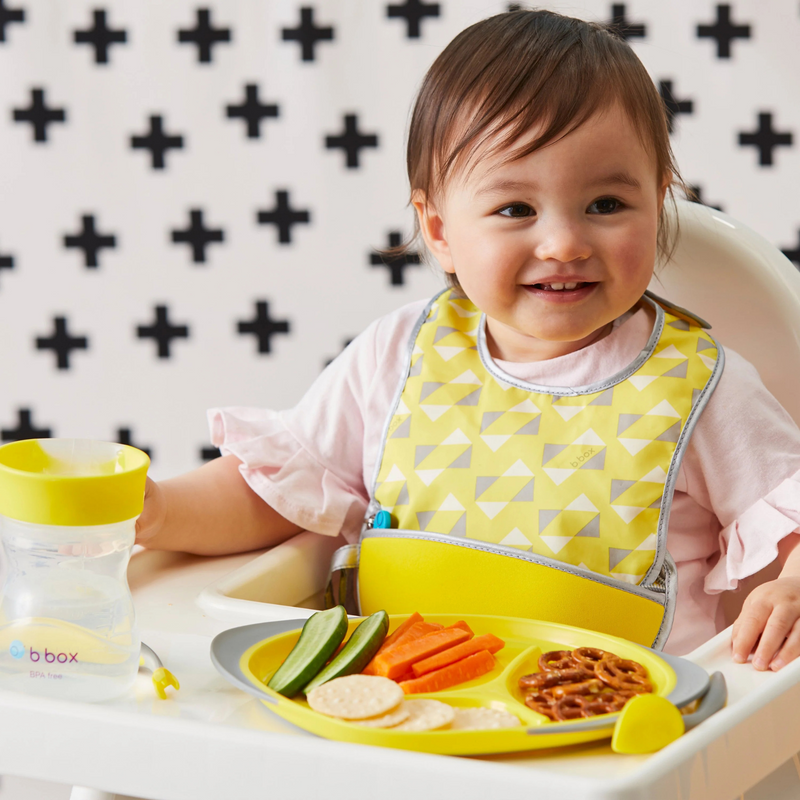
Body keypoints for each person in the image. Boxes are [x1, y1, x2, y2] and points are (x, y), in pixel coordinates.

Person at [136, 9, 800, 668]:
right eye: (516, 209)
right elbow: (275, 493)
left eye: (606, 205)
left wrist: (792, 586)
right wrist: (159, 512)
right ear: (439, 230)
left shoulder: (701, 387)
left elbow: (790, 513)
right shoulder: (396, 356)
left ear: (658, 204)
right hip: (402, 714)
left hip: (619, 734)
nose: (564, 243)